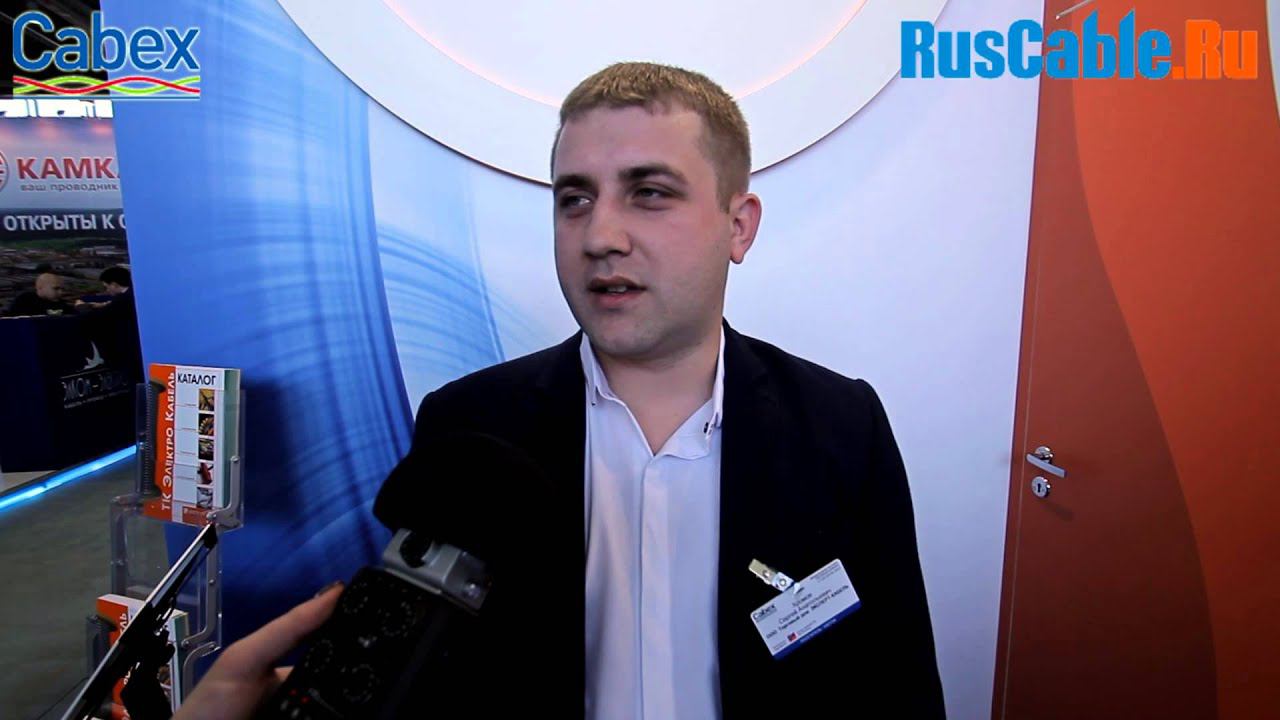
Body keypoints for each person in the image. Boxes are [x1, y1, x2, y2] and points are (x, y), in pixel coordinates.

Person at [175, 62, 945, 718]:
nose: (599, 235)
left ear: (738, 226)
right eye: (574, 198)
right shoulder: (470, 430)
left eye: (649, 193)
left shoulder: (842, 427)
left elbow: (900, 685)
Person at [5, 272, 71, 317]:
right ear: (40, 287)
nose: (61, 292)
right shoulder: (25, 301)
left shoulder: (61, 304)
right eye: (56, 288)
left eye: (62, 289)